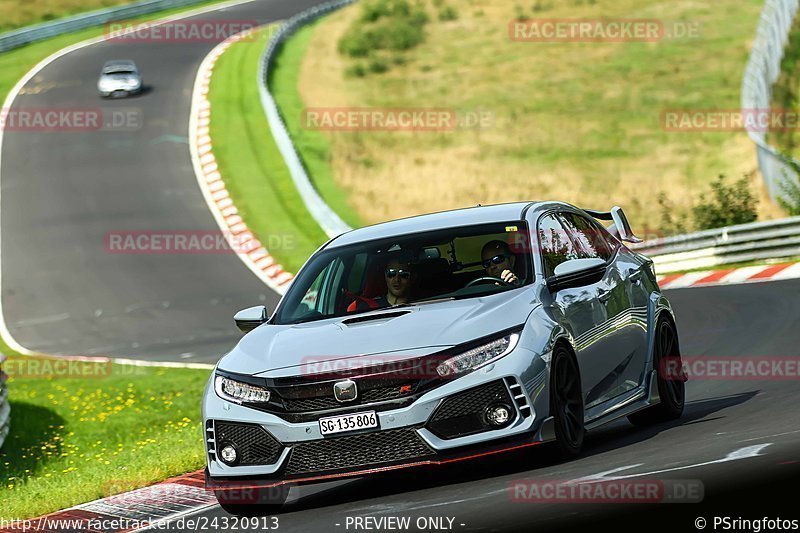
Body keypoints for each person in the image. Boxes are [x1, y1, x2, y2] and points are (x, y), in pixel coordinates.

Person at [347, 255, 416, 311]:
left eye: (403, 274)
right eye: (391, 273)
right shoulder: (366, 308)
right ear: (385, 276)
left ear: (412, 277)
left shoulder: (421, 307)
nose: (397, 280)